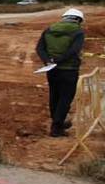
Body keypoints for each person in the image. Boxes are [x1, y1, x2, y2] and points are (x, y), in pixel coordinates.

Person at [35, 8, 85, 137]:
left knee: (54, 95)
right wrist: (59, 60)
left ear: (64, 17)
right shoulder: (78, 32)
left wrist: (48, 61)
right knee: (65, 98)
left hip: (51, 70)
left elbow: (39, 48)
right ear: (78, 20)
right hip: (69, 70)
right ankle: (57, 128)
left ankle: (58, 122)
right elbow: (74, 51)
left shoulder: (49, 29)